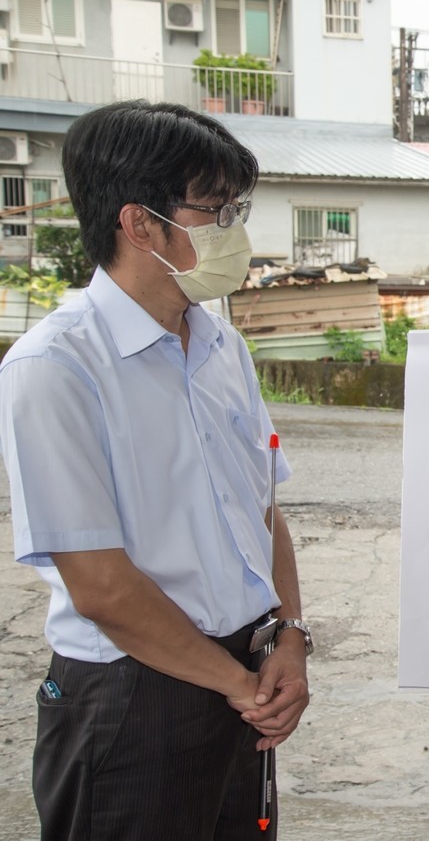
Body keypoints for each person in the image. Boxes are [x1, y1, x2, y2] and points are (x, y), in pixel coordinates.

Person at [0, 101, 312, 840]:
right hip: (131, 698)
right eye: (216, 211)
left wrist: (290, 639)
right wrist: (239, 684)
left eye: (237, 209)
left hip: (244, 680)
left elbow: (263, 511)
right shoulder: (56, 368)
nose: (234, 231)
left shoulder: (223, 348)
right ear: (140, 224)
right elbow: (101, 586)